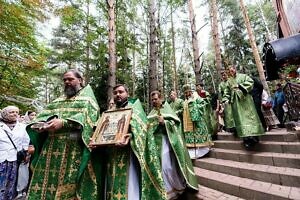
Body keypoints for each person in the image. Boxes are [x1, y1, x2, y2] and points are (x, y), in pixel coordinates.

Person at [26, 69, 102, 199]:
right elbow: (43, 115)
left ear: (80, 80)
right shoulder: (58, 100)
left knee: (69, 184)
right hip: (51, 148)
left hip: (73, 149)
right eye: (65, 80)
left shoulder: (88, 100)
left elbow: (87, 119)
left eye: (70, 79)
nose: (67, 82)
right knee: (46, 183)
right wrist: (41, 125)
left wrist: (64, 123)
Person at [92, 84, 167, 200]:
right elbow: (99, 129)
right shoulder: (109, 112)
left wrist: (131, 136)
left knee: (129, 185)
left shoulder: (135, 109)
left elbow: (143, 130)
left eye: (121, 92)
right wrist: (95, 138)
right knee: (111, 184)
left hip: (128, 155)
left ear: (127, 93)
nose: (118, 94)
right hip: (111, 155)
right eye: (115, 92)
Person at [147, 91, 198, 199]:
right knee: (161, 168)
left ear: (161, 98)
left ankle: (177, 187)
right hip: (156, 145)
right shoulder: (151, 112)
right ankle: (166, 190)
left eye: (155, 99)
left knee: (169, 167)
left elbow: (176, 124)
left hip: (168, 142)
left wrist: (164, 123)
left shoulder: (168, 109)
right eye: (152, 100)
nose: (154, 101)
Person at [224, 66, 265, 148]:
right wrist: (226, 99)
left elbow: (250, 82)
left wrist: (240, 86)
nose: (231, 72)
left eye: (232, 70)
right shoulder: (229, 81)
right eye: (229, 71)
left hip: (246, 102)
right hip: (235, 104)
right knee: (240, 121)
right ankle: (246, 139)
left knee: (250, 119)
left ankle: (254, 137)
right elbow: (227, 91)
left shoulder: (243, 76)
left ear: (235, 69)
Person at [0, 106, 31, 200]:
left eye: (16, 112)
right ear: (5, 114)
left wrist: (26, 154)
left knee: (12, 183)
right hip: (1, 159)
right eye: (11, 112)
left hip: (15, 159)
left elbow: (26, 141)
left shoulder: (22, 127)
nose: (15, 114)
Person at [182, 84, 213, 159]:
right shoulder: (185, 101)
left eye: (187, 92)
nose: (186, 94)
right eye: (185, 93)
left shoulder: (196, 96)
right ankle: (192, 152)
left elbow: (203, 104)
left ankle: (202, 150)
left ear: (190, 91)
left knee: (198, 136)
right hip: (188, 123)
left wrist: (194, 107)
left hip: (197, 121)